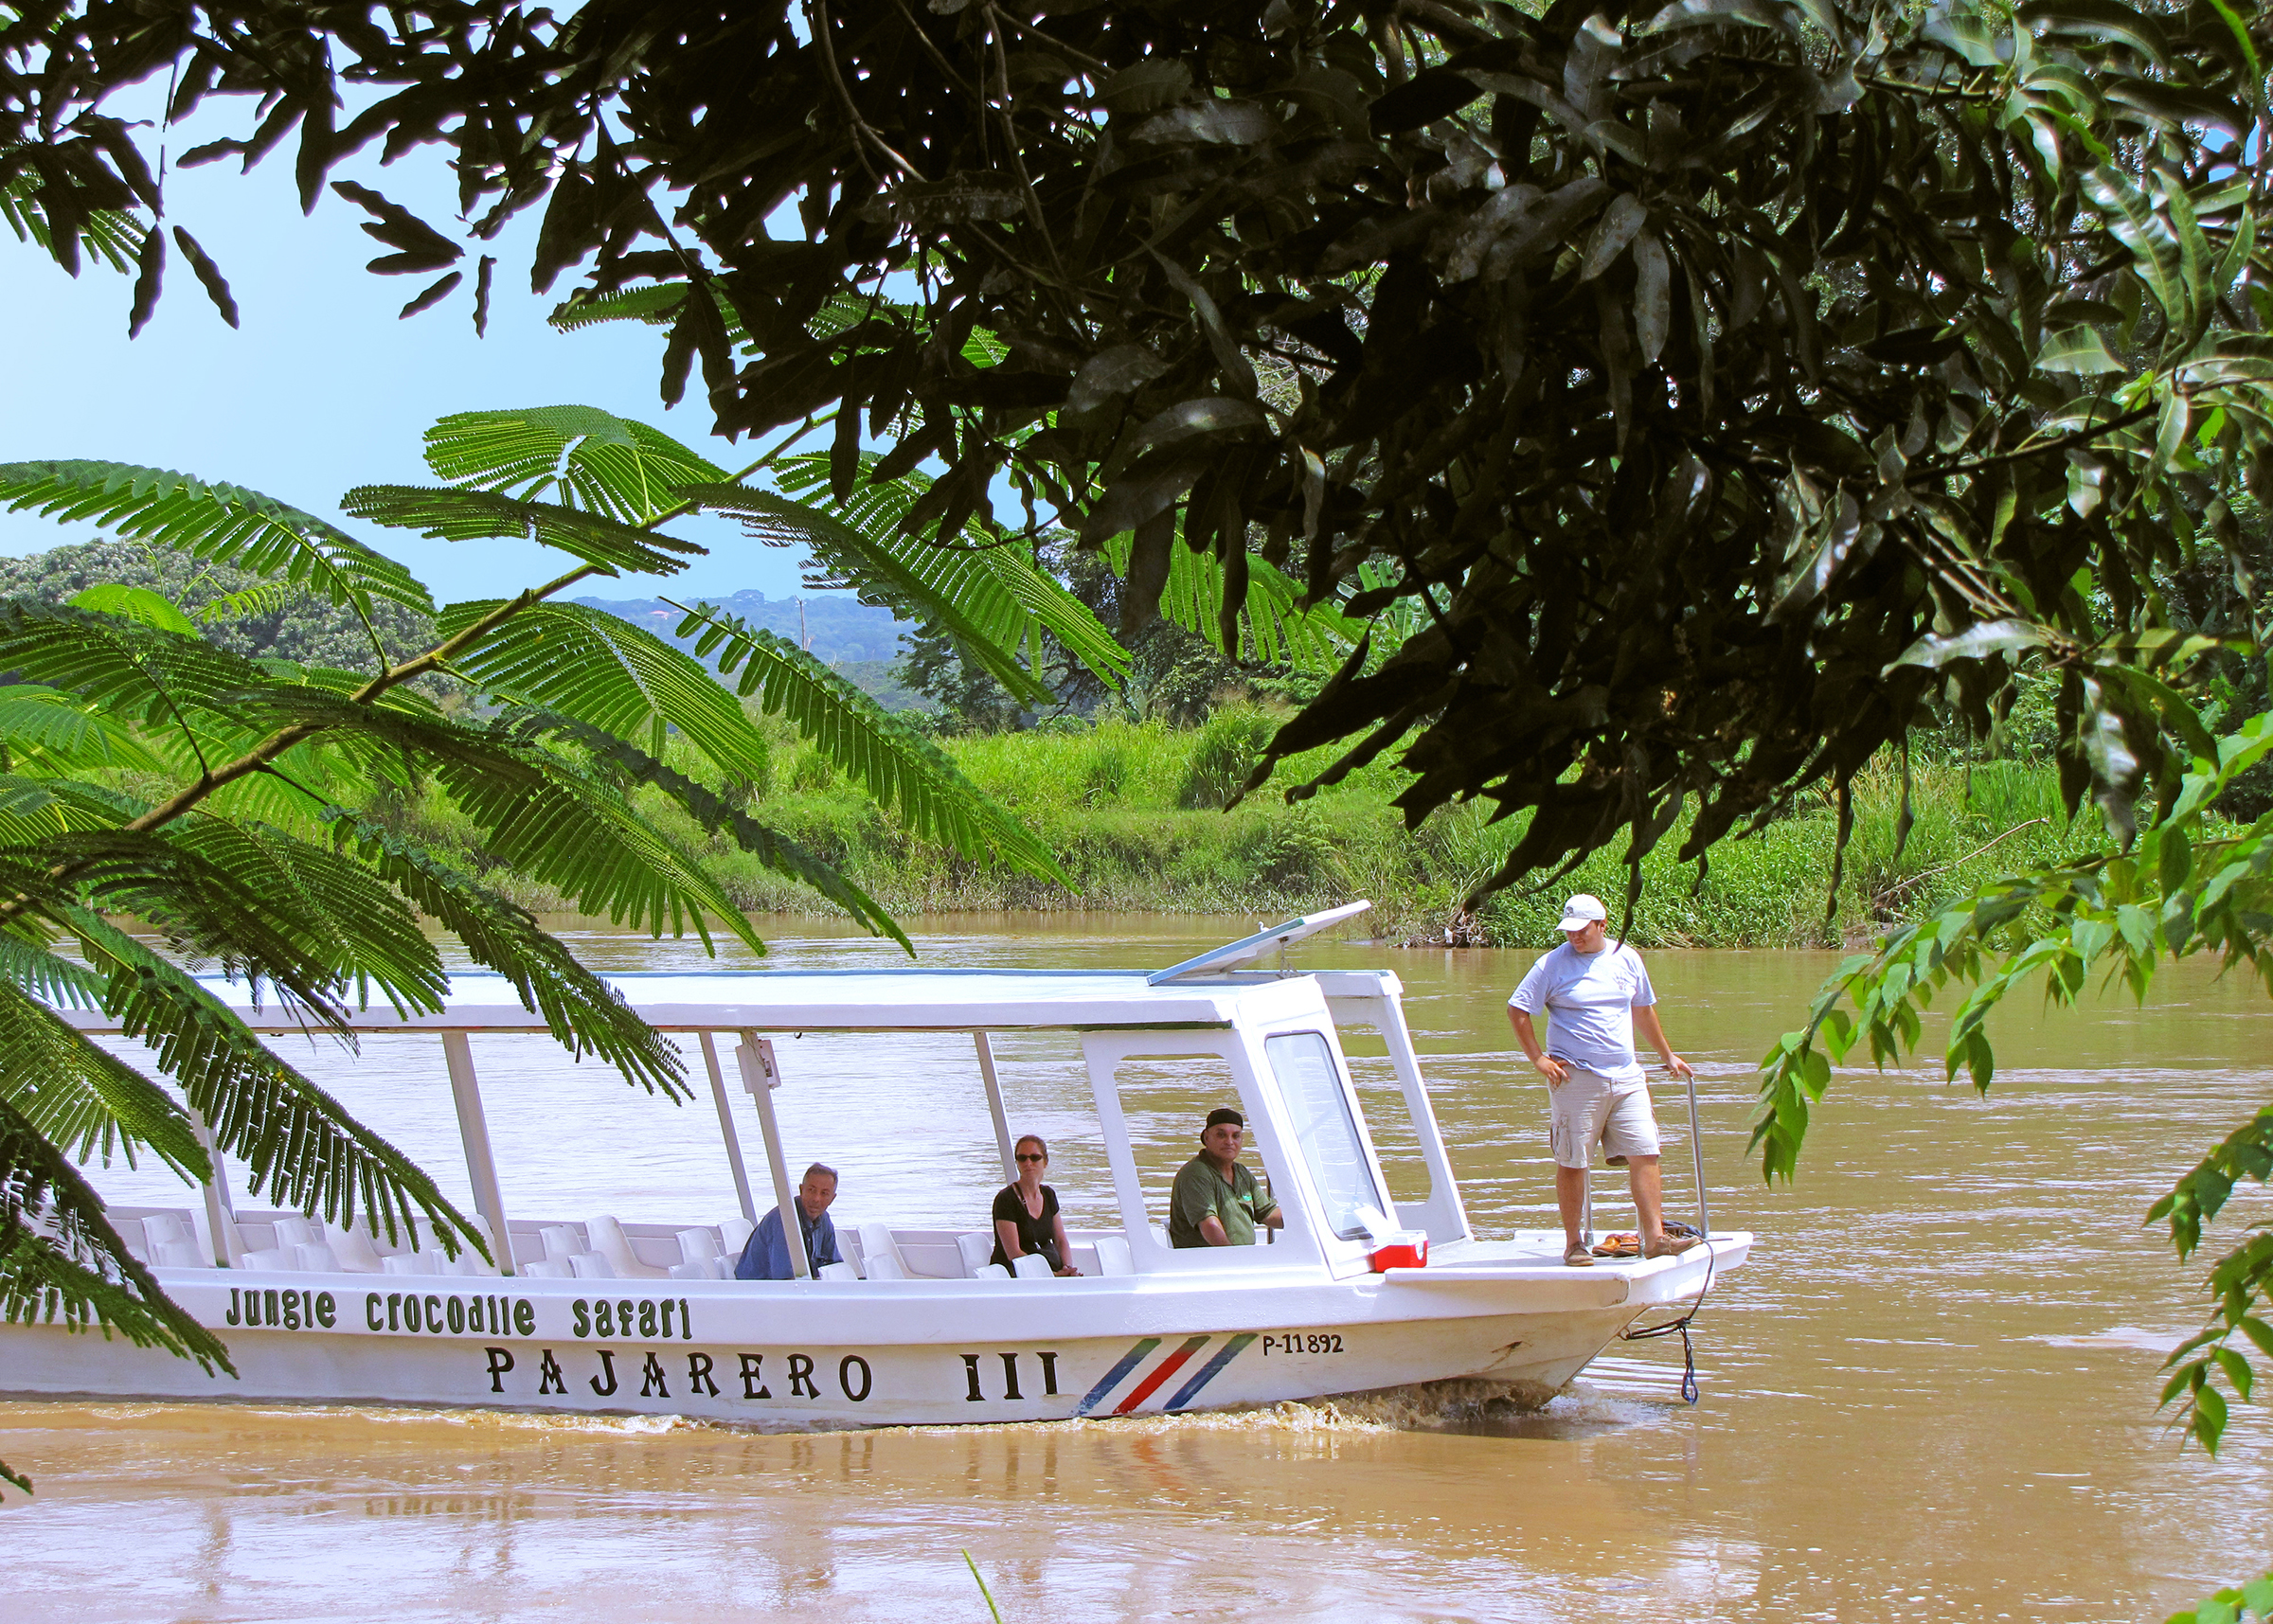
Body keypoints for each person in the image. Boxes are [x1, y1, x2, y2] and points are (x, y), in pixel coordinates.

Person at [1506, 893, 1703, 1269]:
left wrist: (1667, 1056)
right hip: (1576, 1076)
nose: (1574, 938)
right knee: (1573, 1160)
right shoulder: (1551, 965)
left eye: (1582, 930)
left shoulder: (1626, 958)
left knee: (1646, 1151)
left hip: (1627, 1075)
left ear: (1602, 925)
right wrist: (1539, 1059)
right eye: (1569, 931)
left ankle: (1656, 1238)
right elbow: (1518, 1009)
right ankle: (1574, 1244)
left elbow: (1642, 1010)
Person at [1168, 1107, 1284, 1249]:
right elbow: (1210, 1226)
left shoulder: (1241, 1172)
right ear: (1206, 1137)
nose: (1229, 1142)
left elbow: (1268, 1212)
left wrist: (1305, 1220)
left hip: (1241, 1259)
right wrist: (1236, 1259)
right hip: (1207, 1263)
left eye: (1235, 1136)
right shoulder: (1196, 1174)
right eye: (1221, 1135)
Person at [991, 1133, 1080, 1276]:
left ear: (1045, 1162)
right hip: (1015, 1274)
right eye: (1022, 1158)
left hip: (1049, 1272)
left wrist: (1067, 1268)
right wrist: (1053, 1275)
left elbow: (1061, 1240)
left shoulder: (1048, 1195)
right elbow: (1013, 1253)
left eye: (1034, 1157)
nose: (1028, 1163)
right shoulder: (1006, 1199)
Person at [736, 1162, 843, 1279]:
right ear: (802, 1190)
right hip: (756, 1290)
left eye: (824, 1193)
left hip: (794, 1290)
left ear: (832, 1198)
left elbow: (835, 1268)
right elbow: (786, 1279)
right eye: (811, 1190)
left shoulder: (824, 1220)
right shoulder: (784, 1220)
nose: (816, 1198)